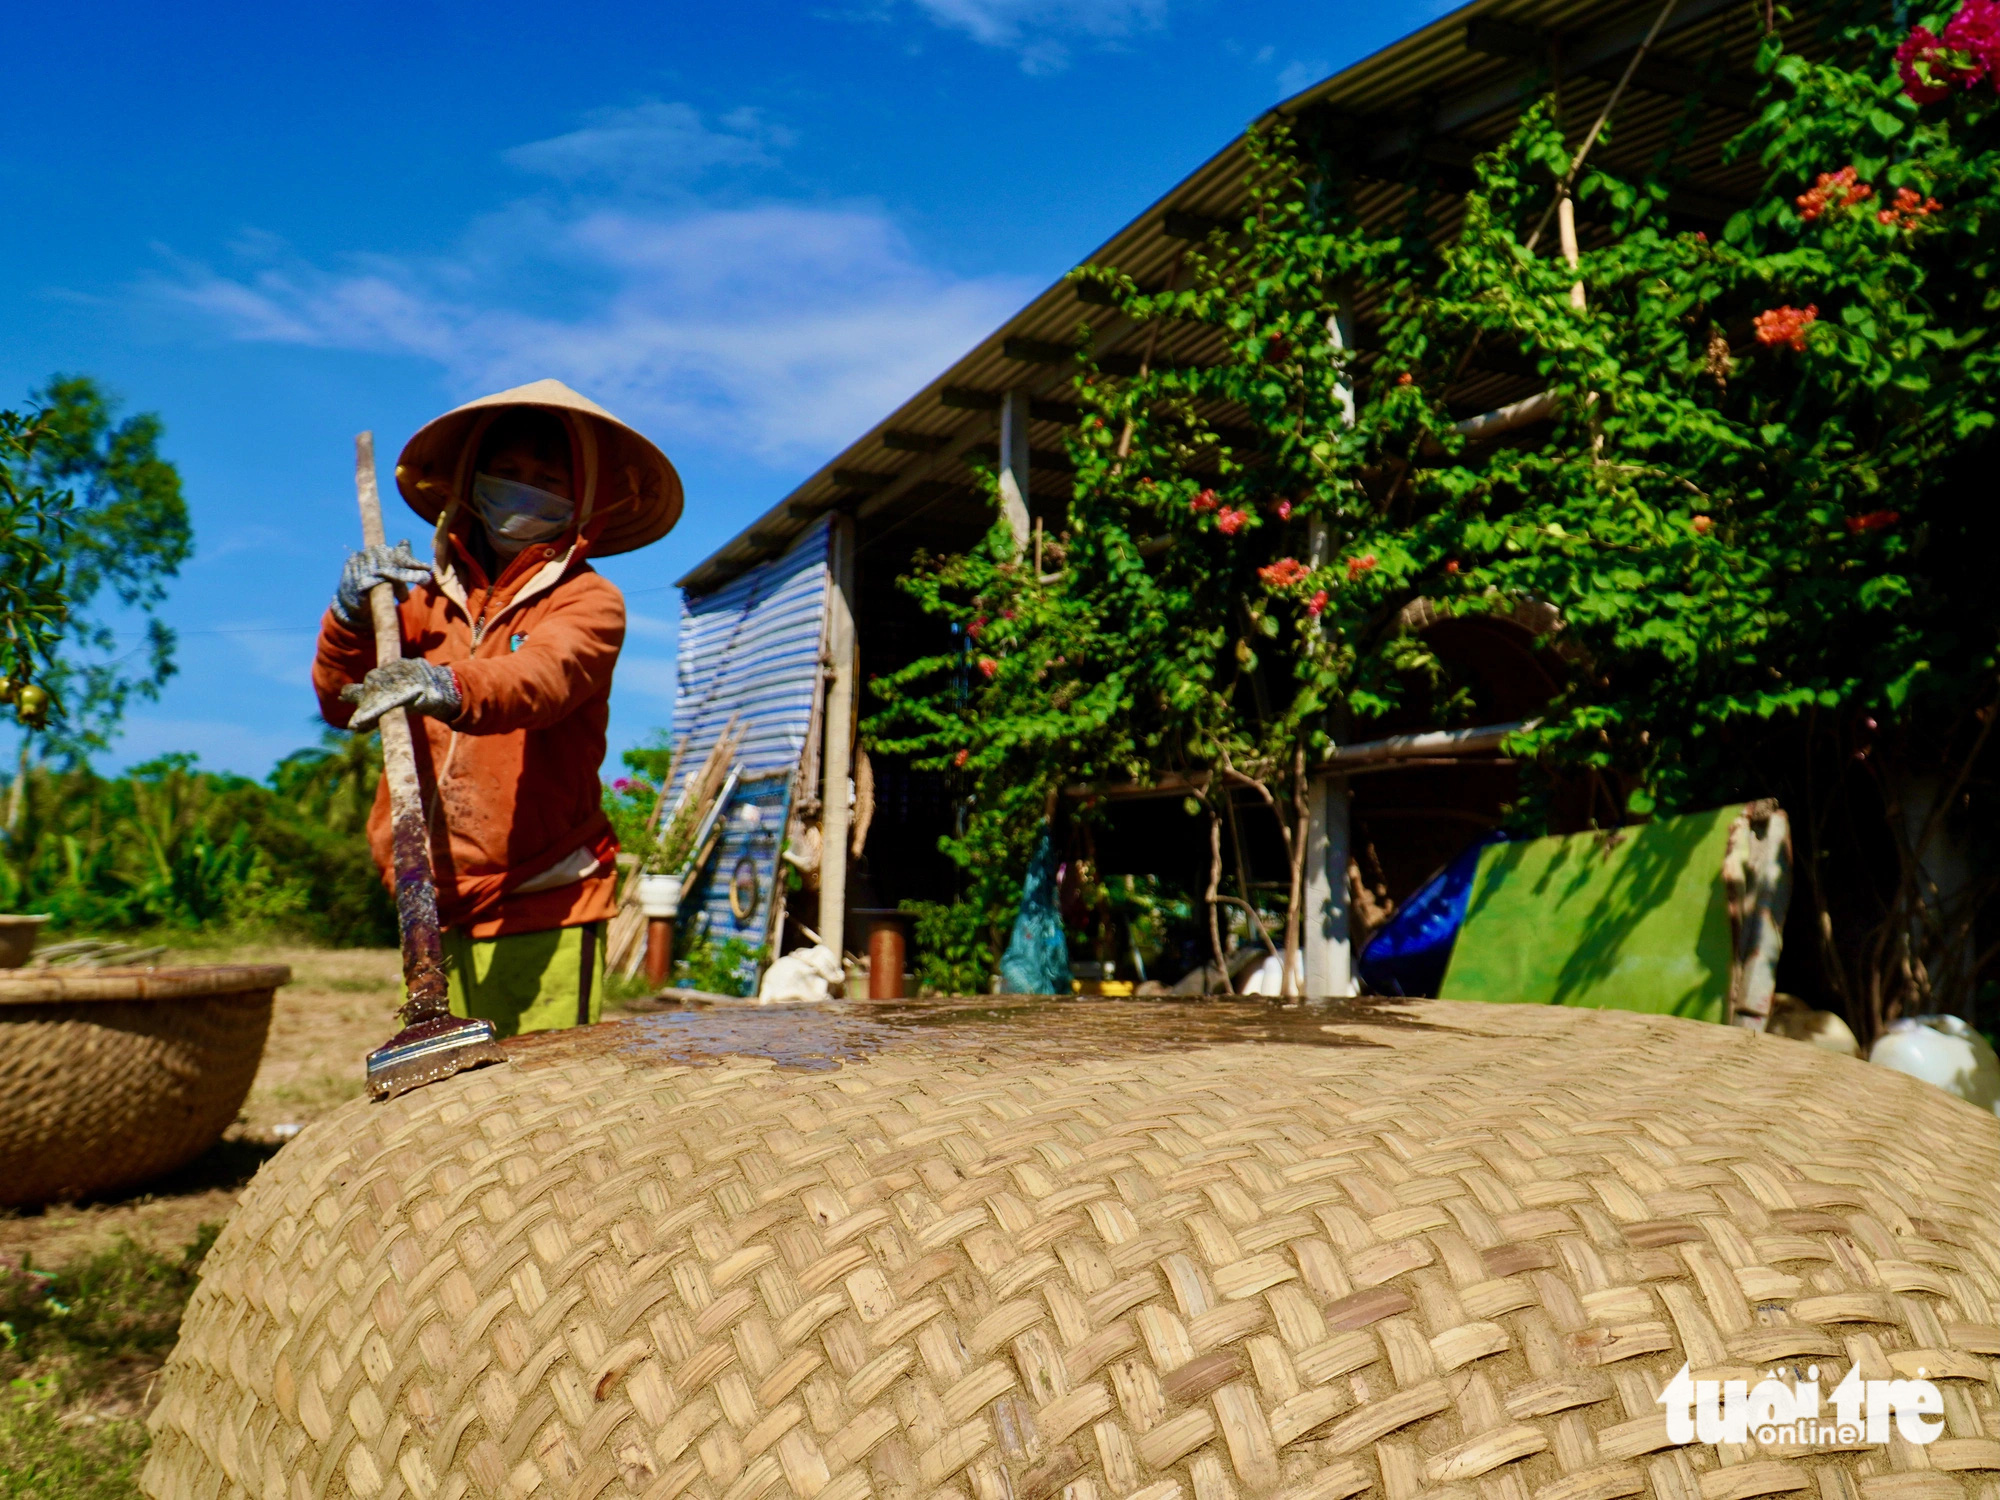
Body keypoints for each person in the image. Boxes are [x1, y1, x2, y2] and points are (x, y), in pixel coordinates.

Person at [314, 379, 681, 1035]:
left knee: (545, 1109)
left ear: (581, 499)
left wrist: (449, 686)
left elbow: (542, 677)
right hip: (429, 899)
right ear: (472, 483)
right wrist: (348, 617)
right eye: (507, 473)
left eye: (546, 478)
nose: (523, 489)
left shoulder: (587, 601)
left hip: (542, 899)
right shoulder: (418, 602)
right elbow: (341, 703)